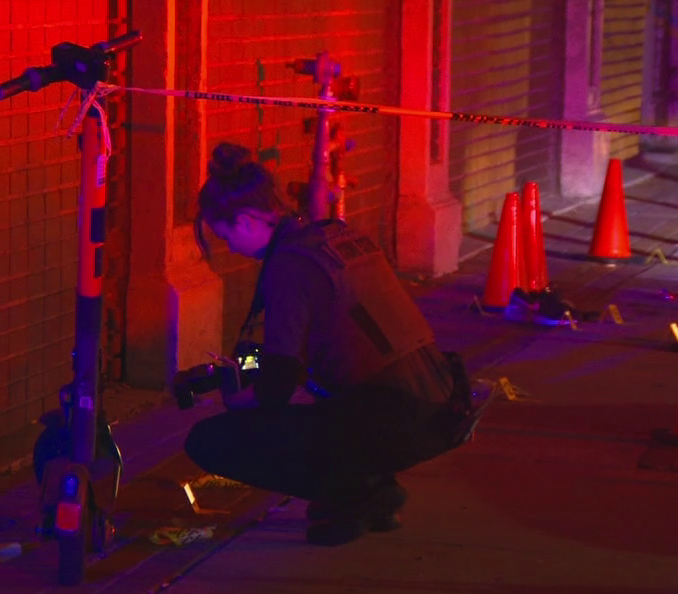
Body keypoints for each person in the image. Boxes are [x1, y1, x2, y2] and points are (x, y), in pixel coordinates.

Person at [183, 142, 477, 546]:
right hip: (441, 403)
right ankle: (372, 487)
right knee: (328, 406)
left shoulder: (289, 265)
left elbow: (278, 385)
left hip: (395, 416)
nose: (228, 247)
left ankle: (355, 495)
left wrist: (237, 400)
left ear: (249, 219)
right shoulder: (332, 237)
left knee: (211, 440)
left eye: (225, 234)